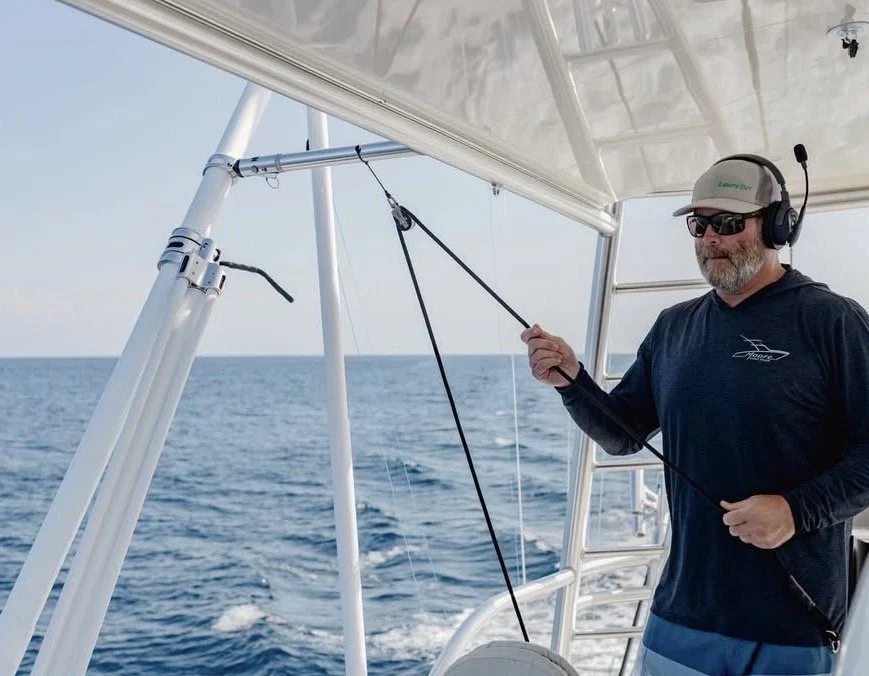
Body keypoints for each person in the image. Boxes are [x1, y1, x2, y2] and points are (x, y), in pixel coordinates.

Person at [521, 156, 869, 675]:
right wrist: (573, 382)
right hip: (681, 616)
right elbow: (622, 434)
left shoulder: (833, 321)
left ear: (777, 226)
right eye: (699, 225)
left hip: (792, 628)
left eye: (728, 223)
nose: (710, 238)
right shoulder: (673, 328)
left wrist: (795, 511)